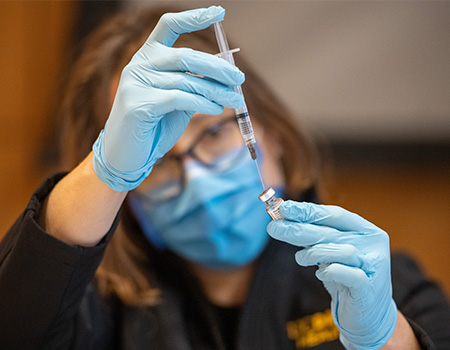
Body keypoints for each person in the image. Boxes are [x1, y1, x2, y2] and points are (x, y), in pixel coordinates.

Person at [0, 6, 449, 350]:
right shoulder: (93, 308)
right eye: (154, 158)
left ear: (270, 132)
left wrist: (386, 338)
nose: (194, 174)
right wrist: (105, 173)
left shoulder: (379, 285)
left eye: (213, 131)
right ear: (127, 195)